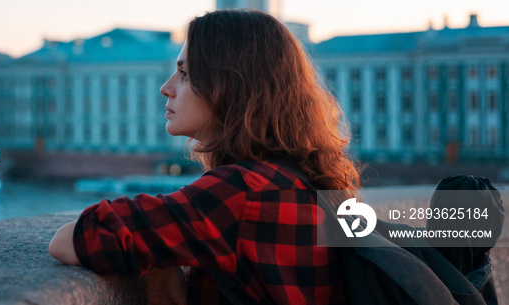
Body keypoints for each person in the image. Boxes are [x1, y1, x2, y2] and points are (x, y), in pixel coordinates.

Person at [49, 9, 360, 305]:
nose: (165, 88)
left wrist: (158, 248)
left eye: (184, 73)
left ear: (230, 87)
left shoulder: (242, 191)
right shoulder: (298, 179)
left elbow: (69, 242)